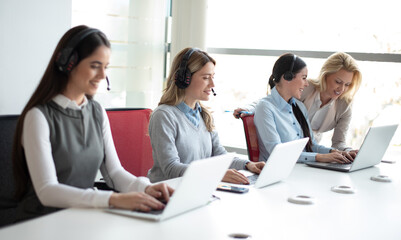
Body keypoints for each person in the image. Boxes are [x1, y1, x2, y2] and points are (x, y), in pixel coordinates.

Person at [12, 25, 173, 222]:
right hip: (42, 222)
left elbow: (114, 173)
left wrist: (146, 188)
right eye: (95, 65)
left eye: (105, 67)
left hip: (83, 217)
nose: (102, 75)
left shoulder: (97, 112)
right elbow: (47, 191)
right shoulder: (38, 117)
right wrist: (114, 199)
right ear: (67, 63)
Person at [147, 48, 265, 184]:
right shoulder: (163, 116)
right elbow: (171, 168)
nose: (212, 84)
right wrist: (215, 174)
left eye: (212, 77)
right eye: (205, 78)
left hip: (198, 187)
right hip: (168, 192)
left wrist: (248, 164)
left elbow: (220, 156)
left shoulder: (204, 115)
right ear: (184, 78)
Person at [234, 52, 362, 151]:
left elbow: (339, 142)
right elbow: (273, 100)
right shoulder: (304, 88)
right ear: (325, 75)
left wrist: (348, 152)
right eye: (338, 82)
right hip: (289, 146)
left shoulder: (344, 105)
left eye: (348, 84)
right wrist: (248, 108)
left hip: (312, 149)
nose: (342, 89)